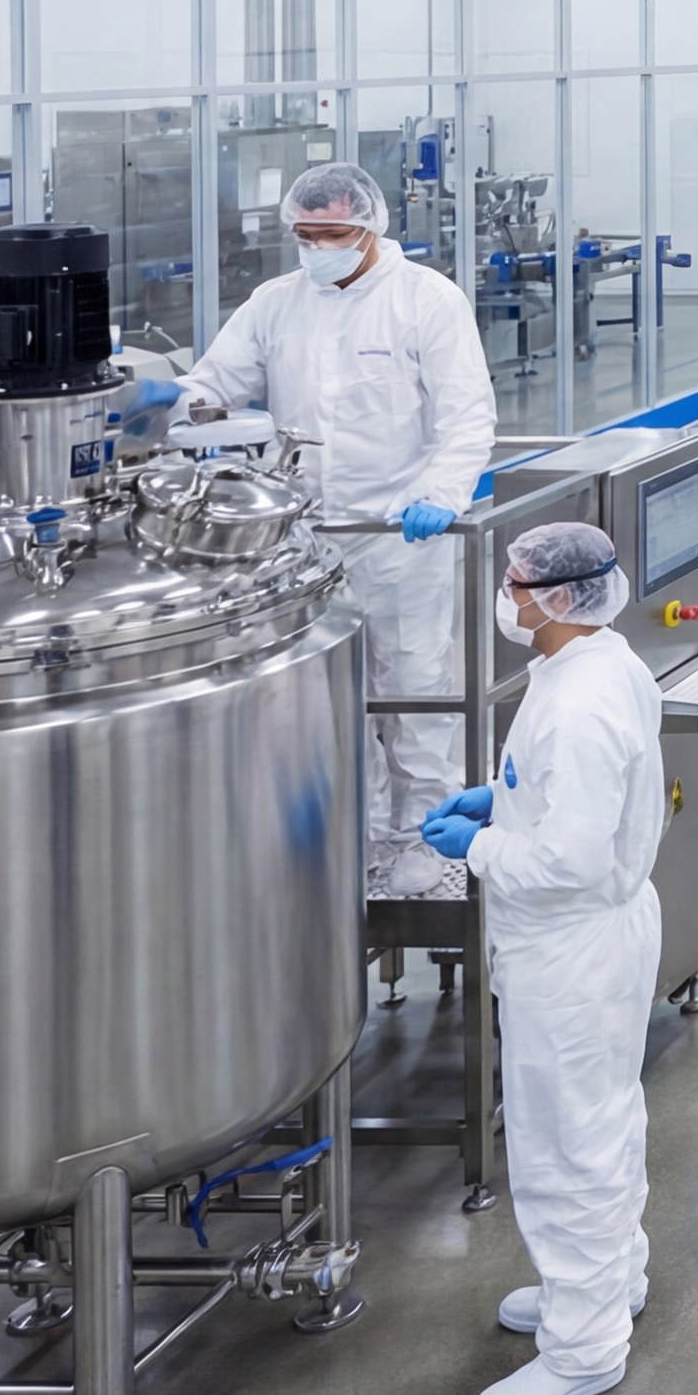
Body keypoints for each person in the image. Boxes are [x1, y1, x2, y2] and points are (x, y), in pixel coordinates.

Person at [145, 162, 492, 898]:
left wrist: (441, 495)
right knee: (331, 701)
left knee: (415, 694)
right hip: (304, 542)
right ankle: (355, 844)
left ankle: (427, 844)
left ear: (369, 228)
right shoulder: (276, 304)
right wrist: (159, 402)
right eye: (305, 235)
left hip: (401, 536)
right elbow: (214, 386)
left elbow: (467, 416)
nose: (317, 248)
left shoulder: (426, 300)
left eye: (332, 234)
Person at [419, 523, 667, 1395]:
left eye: (516, 584)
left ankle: (583, 1349)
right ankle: (609, 1281)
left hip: (571, 949)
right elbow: (586, 801)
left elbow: (567, 860)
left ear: (556, 599)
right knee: (602, 1120)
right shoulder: (598, 662)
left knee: (567, 1148)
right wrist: (507, 798)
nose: (506, 596)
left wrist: (479, 844)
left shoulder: (579, 704)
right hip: (593, 937)